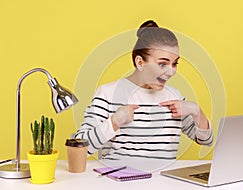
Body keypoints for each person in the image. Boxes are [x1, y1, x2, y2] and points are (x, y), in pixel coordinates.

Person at [73, 20, 213, 169]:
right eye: (162, 64)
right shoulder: (108, 93)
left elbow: (205, 140)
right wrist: (114, 121)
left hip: (163, 185)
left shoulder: (173, 96)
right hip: (118, 185)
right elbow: (78, 148)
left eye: (174, 64)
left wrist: (196, 111)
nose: (171, 71)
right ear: (140, 63)